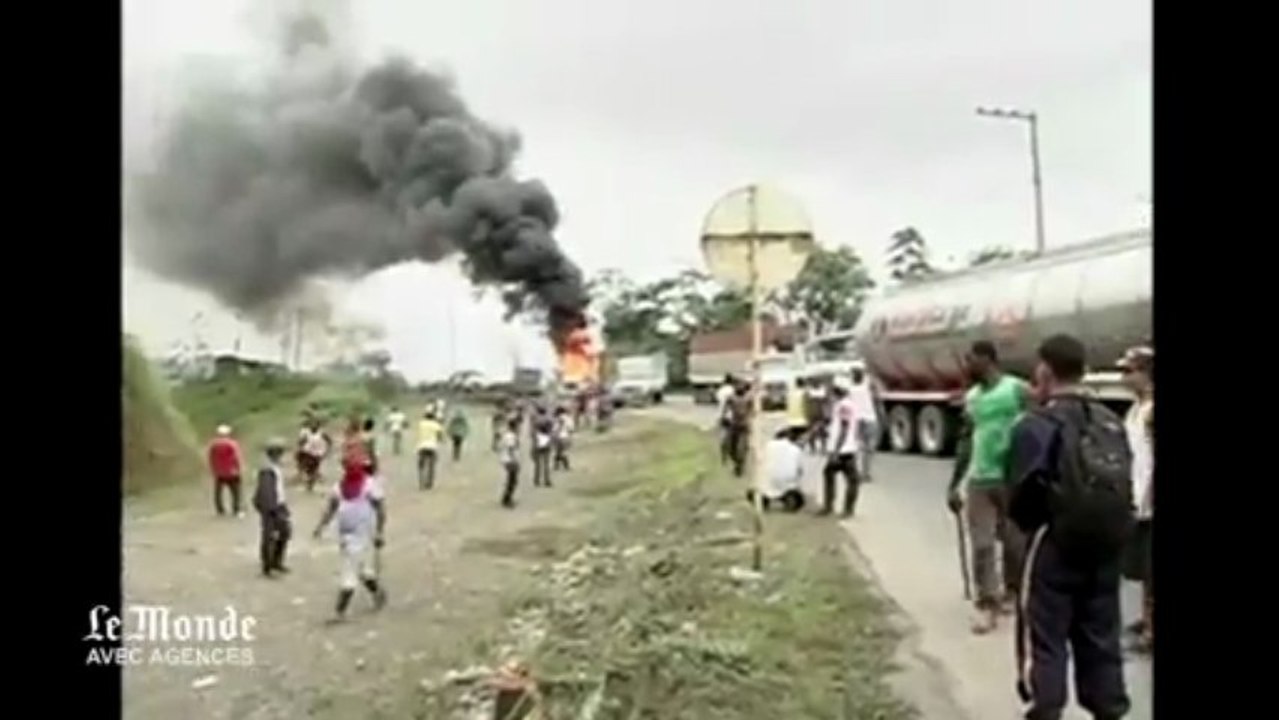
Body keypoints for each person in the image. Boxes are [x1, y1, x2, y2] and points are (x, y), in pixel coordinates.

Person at [1006, 334, 1133, 720]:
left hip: (1053, 545)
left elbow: (1022, 498)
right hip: (1107, 547)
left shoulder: (1035, 424)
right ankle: (1109, 708)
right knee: (1101, 636)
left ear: (1044, 369)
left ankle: (1045, 708)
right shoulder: (1111, 421)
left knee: (1045, 639)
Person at [946, 340, 1032, 634]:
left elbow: (1039, 429)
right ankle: (987, 604)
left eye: (971, 360)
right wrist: (954, 483)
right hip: (980, 479)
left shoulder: (1017, 390)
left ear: (988, 359)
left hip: (1013, 478)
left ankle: (1013, 592)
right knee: (982, 544)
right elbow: (966, 441)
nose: (967, 365)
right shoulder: (972, 398)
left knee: (1015, 544)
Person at [312, 456, 388, 623]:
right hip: (347, 536)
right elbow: (330, 509)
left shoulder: (369, 485)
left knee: (349, 574)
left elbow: (381, 509)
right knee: (362, 570)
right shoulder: (339, 487)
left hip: (364, 534)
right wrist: (320, 526)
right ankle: (378, 593)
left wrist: (379, 531)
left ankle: (339, 611)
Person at [1118, 345, 1154, 655]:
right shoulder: (1135, 408)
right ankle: (1146, 621)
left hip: (1149, 504)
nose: (1124, 377)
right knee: (1142, 569)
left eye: (1130, 371)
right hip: (1137, 500)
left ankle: (1150, 631)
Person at [820, 378, 861, 517]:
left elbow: (844, 428)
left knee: (838, 477)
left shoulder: (844, 406)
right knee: (850, 479)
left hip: (843, 450)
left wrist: (836, 451)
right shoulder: (844, 404)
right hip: (847, 449)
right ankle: (845, 509)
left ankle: (831, 506)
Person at [252, 438, 292, 578]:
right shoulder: (267, 470)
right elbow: (267, 492)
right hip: (271, 507)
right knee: (269, 536)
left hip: (279, 505)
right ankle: (268, 566)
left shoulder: (276, 468)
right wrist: (272, 509)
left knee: (284, 533)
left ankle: (276, 562)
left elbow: (279, 489)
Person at [748, 424, 807, 512]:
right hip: (786, 485)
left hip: (767, 483)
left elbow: (759, 462)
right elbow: (800, 470)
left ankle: (764, 500)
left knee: (757, 489)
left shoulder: (767, 445)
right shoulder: (796, 449)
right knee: (794, 490)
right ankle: (789, 500)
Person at [847, 366, 882, 482]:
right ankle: (865, 473)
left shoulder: (851, 390)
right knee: (869, 448)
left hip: (858, 420)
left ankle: (859, 472)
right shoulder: (867, 388)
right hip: (869, 419)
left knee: (859, 447)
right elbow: (877, 395)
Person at [208, 425, 244, 517]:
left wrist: (213, 469)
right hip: (232, 471)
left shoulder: (214, 445)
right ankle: (236, 509)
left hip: (219, 472)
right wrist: (239, 468)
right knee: (235, 492)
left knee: (218, 492)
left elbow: (211, 458)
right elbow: (237, 457)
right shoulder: (232, 444)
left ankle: (220, 510)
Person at [723, 380, 754, 478]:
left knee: (741, 447)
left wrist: (748, 417)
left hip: (743, 425)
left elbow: (752, 410)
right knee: (731, 447)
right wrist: (724, 418)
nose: (739, 389)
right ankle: (737, 462)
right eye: (738, 387)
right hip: (734, 424)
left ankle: (740, 465)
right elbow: (725, 409)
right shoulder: (731, 398)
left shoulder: (748, 398)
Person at [297, 418, 331, 493]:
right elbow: (301, 442)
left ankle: (310, 483)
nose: (313, 426)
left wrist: (327, 450)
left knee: (314, 470)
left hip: (318, 454)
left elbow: (329, 441)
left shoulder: (322, 433)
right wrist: (301, 447)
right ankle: (308, 481)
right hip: (308, 453)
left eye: (315, 424)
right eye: (311, 424)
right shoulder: (307, 433)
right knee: (308, 469)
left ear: (318, 426)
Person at [416, 409, 444, 490]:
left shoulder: (421, 424)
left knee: (421, 465)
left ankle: (421, 482)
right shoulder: (435, 424)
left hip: (422, 446)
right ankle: (429, 483)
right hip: (432, 446)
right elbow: (440, 435)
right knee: (432, 466)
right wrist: (440, 440)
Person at [497, 417, 521, 508]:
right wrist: (515, 460)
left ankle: (507, 498)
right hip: (510, 460)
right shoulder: (511, 436)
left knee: (511, 480)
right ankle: (507, 499)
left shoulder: (506, 435)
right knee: (512, 481)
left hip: (506, 459)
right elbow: (511, 449)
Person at [530, 406, 554, 487]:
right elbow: (551, 431)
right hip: (546, 440)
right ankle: (547, 480)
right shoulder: (548, 420)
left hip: (538, 440)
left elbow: (533, 433)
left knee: (537, 464)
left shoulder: (535, 421)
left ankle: (536, 480)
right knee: (546, 463)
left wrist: (533, 446)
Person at [804, 378, 830, 454]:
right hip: (812, 414)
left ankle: (823, 448)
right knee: (812, 433)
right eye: (814, 382)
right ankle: (813, 449)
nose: (816, 383)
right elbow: (806, 400)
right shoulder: (808, 391)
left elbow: (827, 400)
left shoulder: (823, 390)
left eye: (817, 382)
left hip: (821, 414)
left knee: (822, 432)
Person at [715, 374, 737, 465]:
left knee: (723, 436)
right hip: (732, 416)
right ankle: (732, 454)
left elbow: (718, 402)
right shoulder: (733, 390)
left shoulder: (720, 391)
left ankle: (723, 456)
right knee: (733, 436)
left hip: (721, 416)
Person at [552, 406, 574, 471]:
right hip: (565, 436)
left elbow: (554, 429)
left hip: (557, 436)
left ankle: (556, 466)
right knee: (564, 452)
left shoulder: (557, 419)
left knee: (558, 452)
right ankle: (566, 466)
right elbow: (571, 429)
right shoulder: (568, 418)